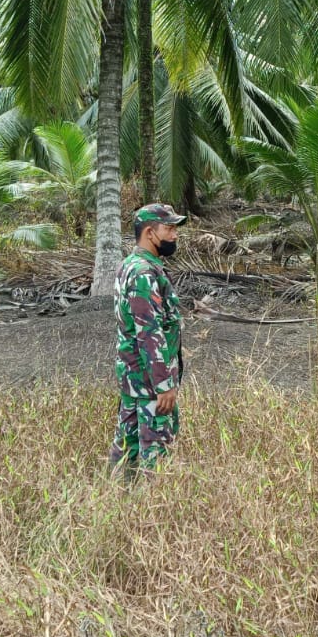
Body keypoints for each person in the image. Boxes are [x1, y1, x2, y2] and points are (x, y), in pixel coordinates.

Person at [109, 203, 187, 475]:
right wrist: (164, 385)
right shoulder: (143, 273)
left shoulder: (130, 265)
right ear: (150, 233)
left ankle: (119, 497)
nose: (175, 235)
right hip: (149, 384)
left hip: (134, 379)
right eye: (169, 229)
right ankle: (151, 501)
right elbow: (149, 332)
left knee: (126, 451)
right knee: (157, 457)